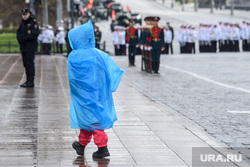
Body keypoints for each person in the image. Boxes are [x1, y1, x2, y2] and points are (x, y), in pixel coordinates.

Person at [68, 20, 124, 158]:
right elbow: (110, 71)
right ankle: (81, 145)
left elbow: (73, 77)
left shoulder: (74, 56)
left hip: (83, 93)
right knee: (88, 118)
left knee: (92, 119)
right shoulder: (99, 53)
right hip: (98, 92)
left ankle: (102, 147)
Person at [16, 8, 39, 88]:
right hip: (23, 47)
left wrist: (24, 38)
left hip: (30, 47)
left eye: (25, 14)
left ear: (29, 14)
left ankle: (31, 81)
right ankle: (27, 80)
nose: (24, 16)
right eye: (23, 15)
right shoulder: (22, 23)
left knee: (30, 64)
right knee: (25, 64)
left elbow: (34, 34)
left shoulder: (33, 22)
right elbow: (18, 32)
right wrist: (19, 39)